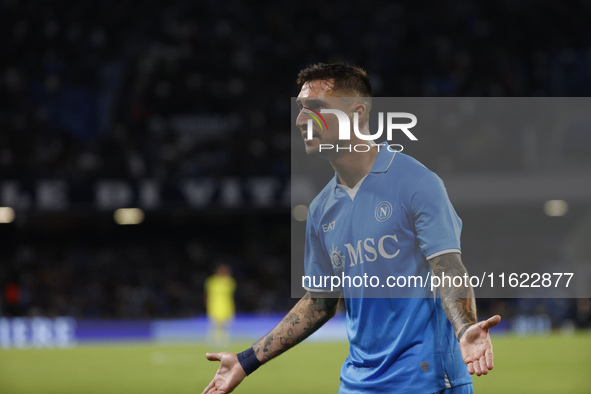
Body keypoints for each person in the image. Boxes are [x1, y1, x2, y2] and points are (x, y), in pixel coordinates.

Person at [202, 63, 501, 394]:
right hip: (357, 385)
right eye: (301, 110)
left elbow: (448, 267)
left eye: (315, 108)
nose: (301, 119)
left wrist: (465, 329)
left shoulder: (417, 183)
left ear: (357, 114)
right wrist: (245, 361)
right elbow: (320, 302)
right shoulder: (320, 209)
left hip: (426, 382)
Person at [204, 264, 236, 346]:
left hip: (227, 306)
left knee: (226, 325)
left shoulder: (229, 281)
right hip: (214, 306)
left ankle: (225, 341)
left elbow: (231, 289)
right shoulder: (212, 281)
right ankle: (213, 341)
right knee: (214, 325)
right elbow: (207, 294)